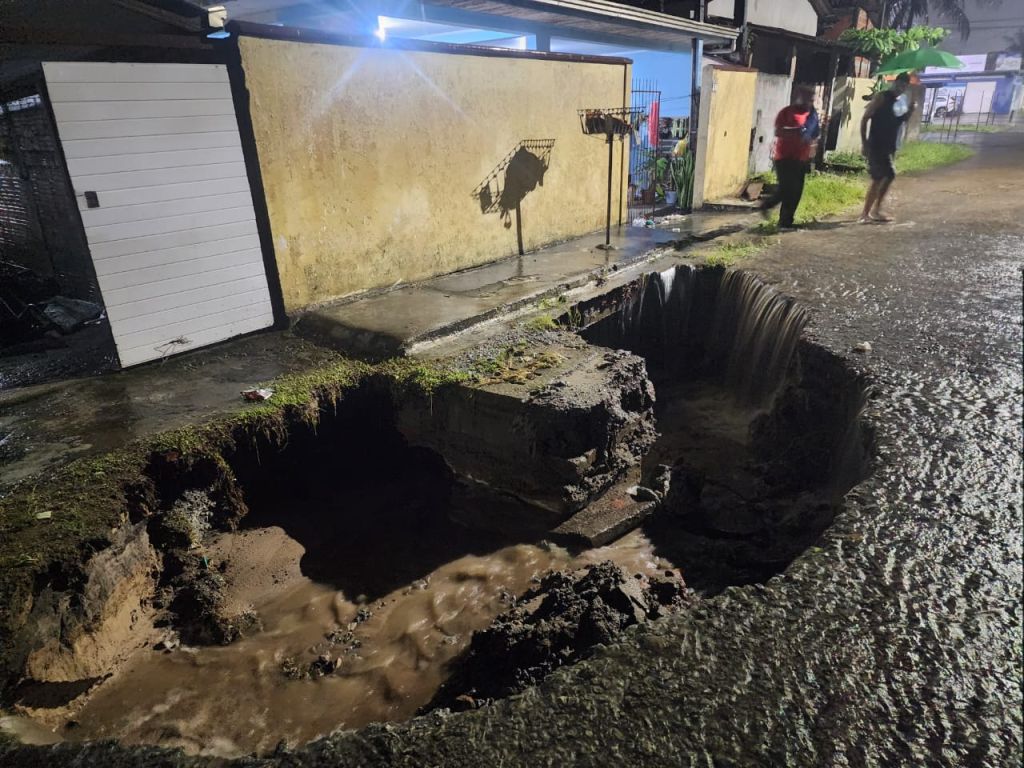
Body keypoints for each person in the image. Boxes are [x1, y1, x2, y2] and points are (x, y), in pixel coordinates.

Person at [761, 87, 820, 231]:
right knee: (787, 189)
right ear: (799, 97)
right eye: (807, 98)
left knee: (796, 191)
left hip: (801, 159)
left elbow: (814, 137)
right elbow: (778, 131)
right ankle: (768, 206)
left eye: (812, 99)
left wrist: (811, 156)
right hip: (784, 157)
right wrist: (799, 132)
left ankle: (786, 221)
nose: (809, 102)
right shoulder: (787, 112)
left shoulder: (812, 117)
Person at [859, 72, 916, 223]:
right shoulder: (882, 97)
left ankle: (871, 211)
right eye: (899, 84)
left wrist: (911, 110)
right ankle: (870, 212)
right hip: (876, 144)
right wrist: (864, 142)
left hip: (890, 145)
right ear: (894, 83)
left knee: (883, 177)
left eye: (904, 85)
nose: (901, 87)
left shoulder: (900, 102)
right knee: (885, 175)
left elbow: (900, 121)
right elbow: (865, 118)